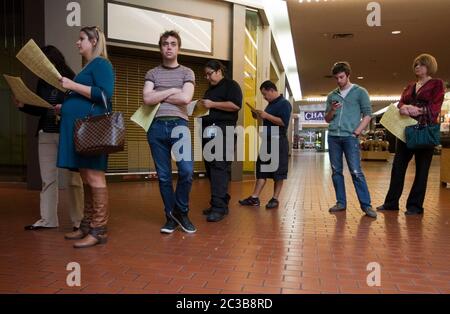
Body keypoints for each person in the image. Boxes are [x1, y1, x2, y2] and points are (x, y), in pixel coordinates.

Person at [13, 46, 83, 231]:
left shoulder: (71, 78)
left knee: (73, 179)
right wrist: (23, 105)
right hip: (46, 133)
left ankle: (79, 221)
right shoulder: (42, 82)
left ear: (53, 61)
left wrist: (65, 108)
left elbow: (79, 106)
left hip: (67, 133)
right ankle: (48, 220)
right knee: (48, 179)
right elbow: (40, 108)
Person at [58, 26, 115, 248]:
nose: (77, 42)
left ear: (93, 41)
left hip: (93, 132)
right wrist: (65, 105)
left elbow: (105, 94)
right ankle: (87, 225)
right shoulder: (88, 67)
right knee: (85, 177)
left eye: (81, 39)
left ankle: (99, 230)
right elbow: (85, 97)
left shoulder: (102, 63)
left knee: (94, 177)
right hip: (82, 132)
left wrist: (72, 85)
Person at [377, 54, 445, 215]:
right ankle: (391, 203)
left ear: (429, 67)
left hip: (424, 130)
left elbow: (436, 105)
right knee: (398, 167)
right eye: (416, 65)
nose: (417, 67)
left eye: (421, 64)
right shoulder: (409, 86)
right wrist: (403, 107)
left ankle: (415, 206)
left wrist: (419, 110)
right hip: (406, 130)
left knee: (422, 170)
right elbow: (401, 101)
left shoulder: (437, 84)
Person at [143, 30, 196, 234]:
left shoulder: (187, 72)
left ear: (178, 48)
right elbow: (147, 99)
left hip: (179, 125)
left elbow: (185, 99)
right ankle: (170, 217)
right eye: (165, 43)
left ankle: (181, 211)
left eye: (173, 44)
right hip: (155, 127)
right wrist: (173, 91)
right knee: (164, 176)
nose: (169, 47)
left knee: (186, 172)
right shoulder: (152, 73)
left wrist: (159, 95)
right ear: (160, 47)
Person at [324, 62, 377, 218]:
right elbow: (327, 119)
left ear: (348, 75)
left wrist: (356, 132)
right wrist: (332, 110)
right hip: (333, 136)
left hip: (350, 137)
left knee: (356, 171)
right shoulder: (331, 95)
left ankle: (366, 205)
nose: (339, 81)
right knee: (336, 171)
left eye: (341, 77)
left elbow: (368, 114)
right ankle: (341, 203)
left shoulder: (360, 92)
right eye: (336, 78)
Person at [200, 60, 242, 222]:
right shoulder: (210, 90)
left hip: (224, 131)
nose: (207, 77)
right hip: (208, 132)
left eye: (209, 73)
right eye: (206, 75)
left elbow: (235, 105)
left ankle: (219, 208)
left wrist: (212, 104)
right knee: (211, 169)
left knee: (219, 168)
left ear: (219, 71)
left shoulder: (231, 85)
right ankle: (220, 202)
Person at [239, 80, 292, 209]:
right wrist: (259, 116)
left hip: (278, 141)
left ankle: (275, 199)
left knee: (278, 172)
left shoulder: (284, 104)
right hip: (267, 141)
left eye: (265, 94)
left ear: (272, 90)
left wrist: (266, 115)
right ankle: (254, 197)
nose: (264, 97)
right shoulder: (270, 104)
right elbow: (268, 120)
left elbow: (283, 122)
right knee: (262, 170)